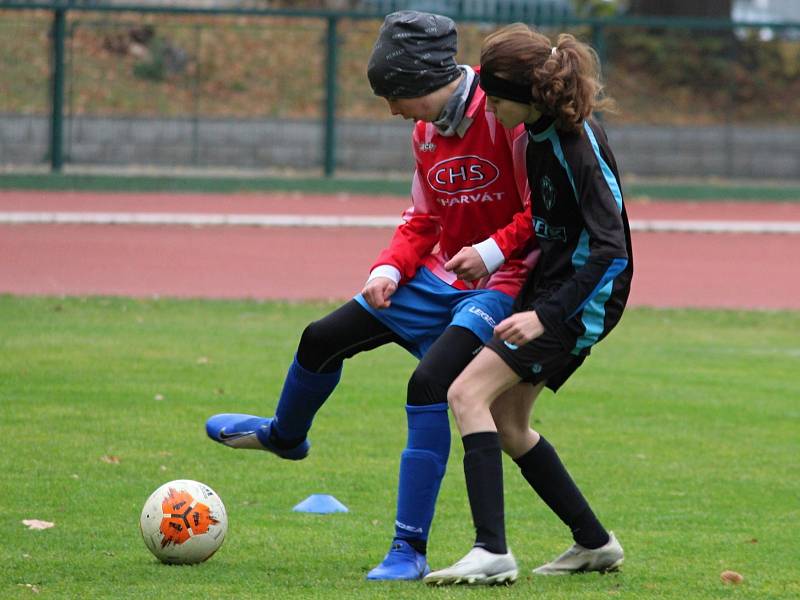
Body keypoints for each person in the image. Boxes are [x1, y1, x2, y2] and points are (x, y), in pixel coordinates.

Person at [204, 11, 538, 581]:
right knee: (321, 338)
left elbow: (543, 214)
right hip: (438, 277)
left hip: (501, 286)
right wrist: (388, 267)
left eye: (396, 96)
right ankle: (285, 436)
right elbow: (422, 217)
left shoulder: (506, 112)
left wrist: (489, 251)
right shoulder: (425, 131)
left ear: (428, 81)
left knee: (428, 386)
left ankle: (408, 550)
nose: (392, 110)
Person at [424, 24, 634, 586]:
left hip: (583, 298)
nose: (489, 111)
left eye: (494, 99)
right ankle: (595, 543)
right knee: (508, 422)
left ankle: (491, 551)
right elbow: (547, 225)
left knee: (465, 393)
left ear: (527, 95)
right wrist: (494, 255)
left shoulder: (574, 146)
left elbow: (611, 250)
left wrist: (546, 314)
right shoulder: (538, 135)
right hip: (555, 287)